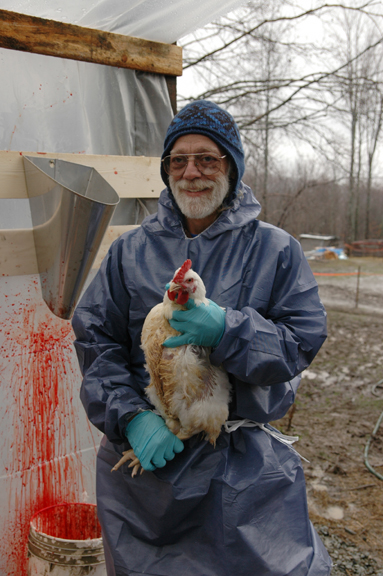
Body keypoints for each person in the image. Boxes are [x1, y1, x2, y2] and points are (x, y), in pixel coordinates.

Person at [72, 100, 332, 576]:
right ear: (167, 170)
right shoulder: (129, 251)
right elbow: (96, 340)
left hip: (242, 469)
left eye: (208, 158)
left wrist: (228, 331)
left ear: (231, 167)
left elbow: (301, 340)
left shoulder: (275, 249)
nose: (192, 172)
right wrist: (129, 417)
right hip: (148, 469)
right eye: (179, 160)